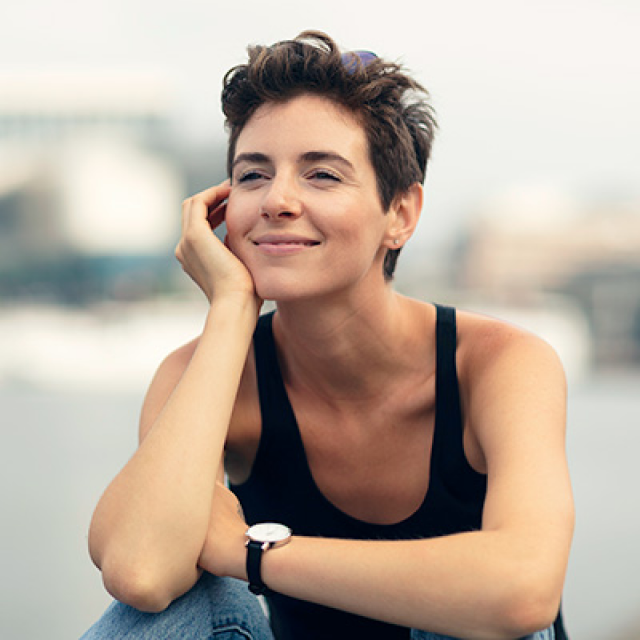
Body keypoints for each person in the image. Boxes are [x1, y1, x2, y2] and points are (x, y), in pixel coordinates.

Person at [81, 31, 574, 640]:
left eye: (321, 175)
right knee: (172, 602)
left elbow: (524, 592)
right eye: (253, 175)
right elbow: (140, 570)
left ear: (401, 214)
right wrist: (233, 309)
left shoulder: (498, 364)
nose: (278, 200)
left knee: (480, 606)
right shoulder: (205, 375)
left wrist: (249, 554)